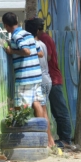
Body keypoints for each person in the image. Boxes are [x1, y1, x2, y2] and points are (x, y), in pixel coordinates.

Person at [36, 18, 79, 151]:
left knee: (59, 110)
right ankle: (60, 138)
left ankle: (66, 139)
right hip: (50, 78)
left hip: (52, 79)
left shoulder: (43, 38)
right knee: (52, 110)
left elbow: (47, 57)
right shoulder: (43, 38)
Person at [2, 12, 44, 117]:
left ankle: (21, 131)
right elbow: (40, 53)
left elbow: (26, 51)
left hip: (25, 78)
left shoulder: (16, 36)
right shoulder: (28, 34)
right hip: (36, 76)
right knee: (37, 103)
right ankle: (41, 131)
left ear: (6, 25)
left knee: (20, 106)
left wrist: (12, 52)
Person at [25, 18, 55, 147]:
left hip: (40, 80)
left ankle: (47, 140)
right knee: (44, 110)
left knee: (40, 109)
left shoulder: (34, 45)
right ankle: (50, 141)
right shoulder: (41, 44)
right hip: (46, 79)